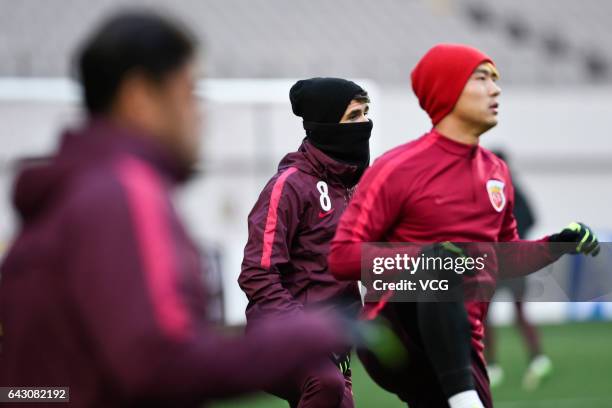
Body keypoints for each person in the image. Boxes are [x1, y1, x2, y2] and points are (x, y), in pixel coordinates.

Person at [0, 12, 351, 407]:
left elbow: (34, 389)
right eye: (189, 92)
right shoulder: (121, 192)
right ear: (139, 98)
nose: (198, 113)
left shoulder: (79, 189)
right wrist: (311, 332)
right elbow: (157, 364)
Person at [328, 44, 600, 408]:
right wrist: (428, 257)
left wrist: (558, 244)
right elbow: (343, 258)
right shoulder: (395, 168)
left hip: (462, 346)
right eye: (482, 78)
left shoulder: (497, 173)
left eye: (496, 80)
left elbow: (501, 259)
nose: (496, 89)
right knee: (443, 262)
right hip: (397, 331)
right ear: (448, 90)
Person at [239, 77, 372, 408]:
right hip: (281, 337)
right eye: (354, 116)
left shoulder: (353, 188)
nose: (365, 124)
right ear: (325, 124)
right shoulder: (288, 187)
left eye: (366, 113)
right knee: (324, 384)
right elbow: (256, 272)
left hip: (334, 344)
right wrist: (305, 330)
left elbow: (366, 261)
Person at [484, 149, 552, 390]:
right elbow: (532, 219)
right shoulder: (515, 190)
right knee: (519, 312)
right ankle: (538, 359)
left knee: (485, 316)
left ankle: (492, 366)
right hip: (513, 263)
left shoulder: (492, 190)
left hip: (496, 264)